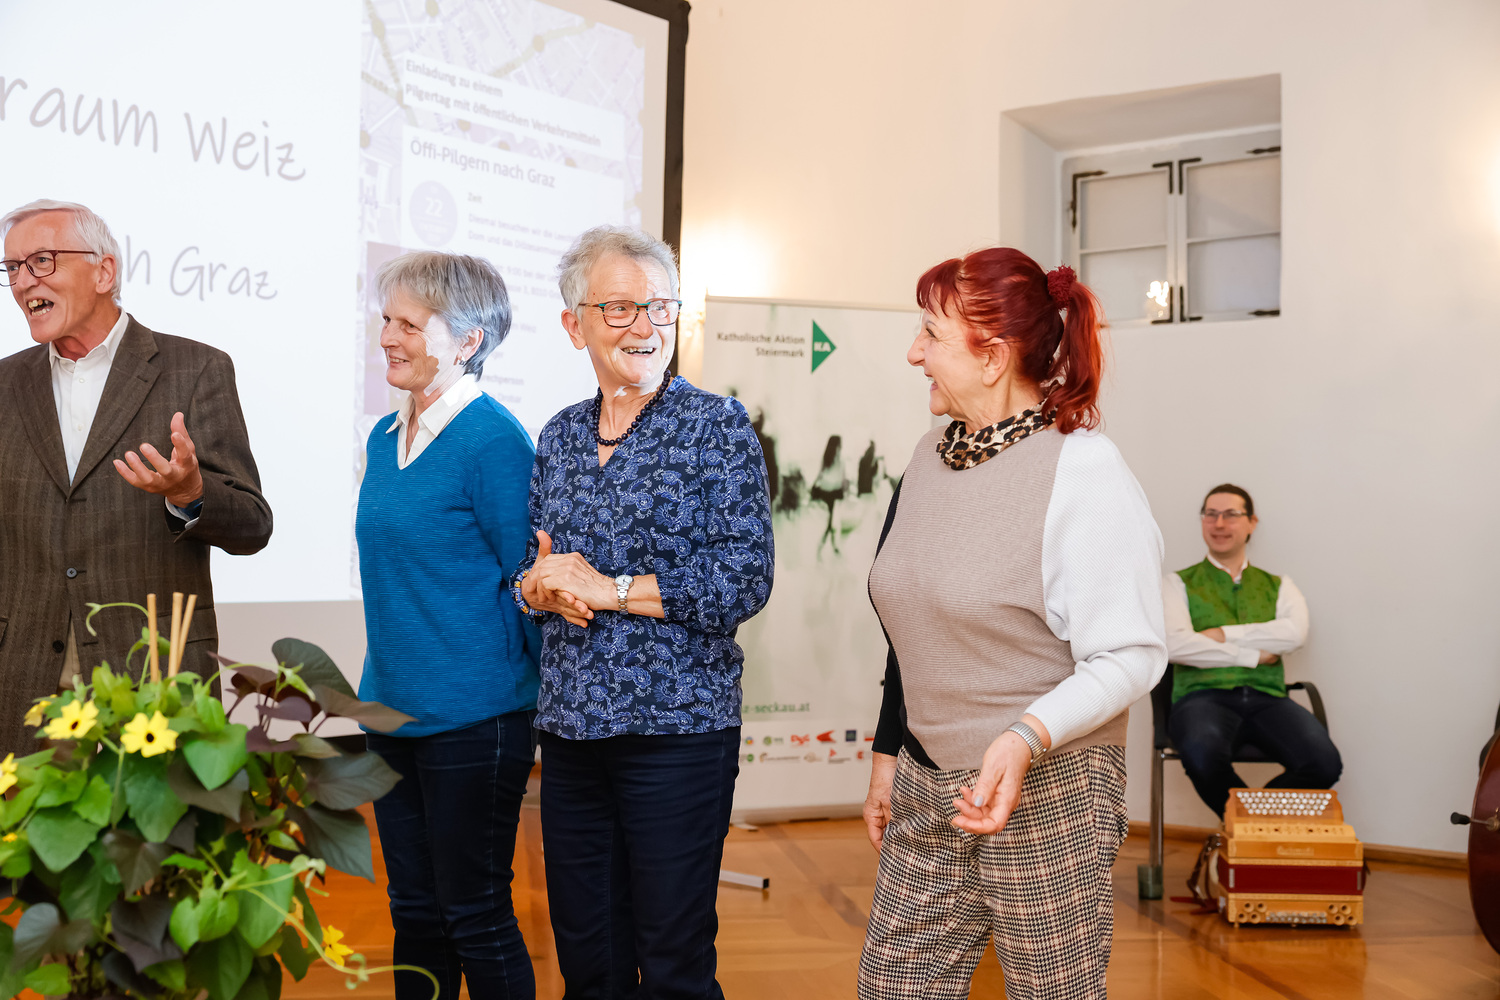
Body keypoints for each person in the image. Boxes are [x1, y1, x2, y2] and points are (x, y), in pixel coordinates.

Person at [860, 250, 1167, 1000]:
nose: (914, 353)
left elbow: (1132, 653)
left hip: (1052, 788)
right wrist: (888, 750)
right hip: (927, 781)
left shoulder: (1084, 471)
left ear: (992, 357)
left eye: (931, 335)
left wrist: (1024, 735)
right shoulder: (928, 458)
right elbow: (915, 621)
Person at [517, 225, 774, 999]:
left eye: (659, 306)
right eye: (620, 308)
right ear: (576, 325)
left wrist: (609, 589)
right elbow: (532, 568)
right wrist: (537, 589)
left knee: (673, 965)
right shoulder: (559, 436)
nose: (645, 326)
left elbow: (744, 580)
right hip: (571, 735)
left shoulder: (716, 427)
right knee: (588, 963)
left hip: (678, 736)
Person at [0, 199, 271, 754]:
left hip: (153, 674)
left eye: (42, 261)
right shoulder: (4, 385)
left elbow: (253, 526)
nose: (24, 281)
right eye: (13, 268)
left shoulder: (197, 369)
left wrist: (191, 493)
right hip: (23, 677)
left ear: (104, 271)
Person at [356, 251, 541, 1000]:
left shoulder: (494, 442)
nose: (387, 338)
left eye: (408, 324)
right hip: (389, 711)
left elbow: (531, 585)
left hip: (476, 718)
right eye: (386, 320)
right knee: (414, 912)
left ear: (468, 340)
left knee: (475, 913)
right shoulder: (383, 437)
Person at [1163, 483, 1340, 817]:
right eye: (1211, 514)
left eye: (1230, 514)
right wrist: (1253, 654)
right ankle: (1251, 832)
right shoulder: (1176, 583)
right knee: (1202, 754)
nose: (1219, 524)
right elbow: (1175, 644)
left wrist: (1221, 634)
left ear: (1251, 523)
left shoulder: (1280, 585)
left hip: (1268, 698)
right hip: (1201, 698)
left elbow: (1293, 635)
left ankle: (1247, 828)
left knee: (1324, 763)